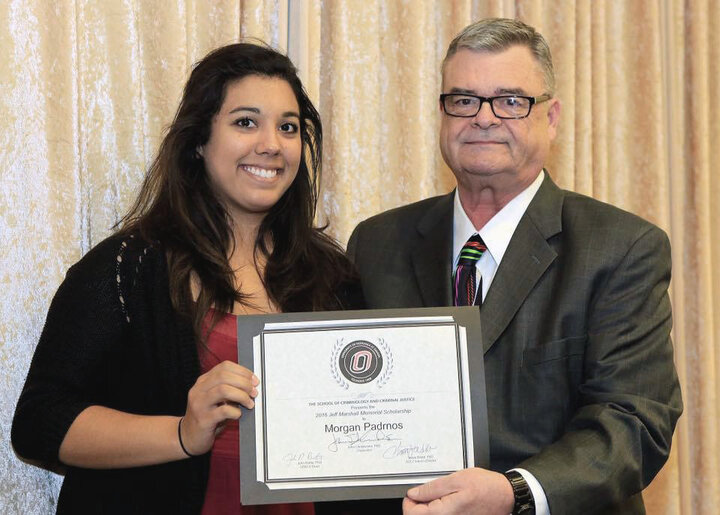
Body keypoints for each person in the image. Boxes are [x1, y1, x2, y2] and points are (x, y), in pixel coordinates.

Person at [347, 18, 682, 515]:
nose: (483, 118)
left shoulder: (623, 248)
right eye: (463, 100)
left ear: (551, 117)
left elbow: (634, 422)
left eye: (510, 101)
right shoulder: (376, 243)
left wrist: (514, 493)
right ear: (442, 114)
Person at [12, 43, 364, 514]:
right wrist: (181, 433)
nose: (272, 144)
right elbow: (39, 422)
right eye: (245, 122)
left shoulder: (333, 276)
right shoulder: (126, 271)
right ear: (199, 141)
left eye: (288, 127)